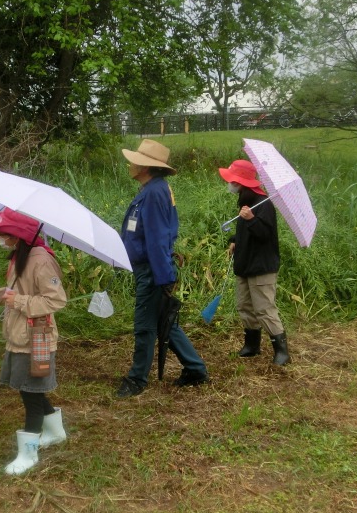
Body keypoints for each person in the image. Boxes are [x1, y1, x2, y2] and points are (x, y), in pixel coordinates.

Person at [0, 208, 68, 475]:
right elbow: (14, 293)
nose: (0, 239)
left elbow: (56, 300)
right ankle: (56, 433)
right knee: (30, 389)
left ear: (18, 235)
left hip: (37, 338)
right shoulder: (20, 256)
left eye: (3, 234)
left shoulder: (41, 261)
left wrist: (20, 301)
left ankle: (28, 453)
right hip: (20, 335)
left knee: (31, 393)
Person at [116, 139, 209, 398]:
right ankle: (195, 369)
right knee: (163, 320)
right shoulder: (151, 190)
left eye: (134, 161)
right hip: (151, 269)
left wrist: (163, 277)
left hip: (152, 271)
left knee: (145, 325)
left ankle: (137, 380)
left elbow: (157, 239)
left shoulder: (154, 193)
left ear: (146, 166)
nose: (130, 164)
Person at [219, 159, 291, 366]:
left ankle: (282, 352)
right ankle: (252, 345)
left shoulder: (264, 203)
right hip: (245, 264)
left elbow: (266, 235)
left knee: (264, 309)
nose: (230, 184)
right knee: (245, 306)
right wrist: (235, 240)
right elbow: (246, 232)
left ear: (241, 182)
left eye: (232, 181)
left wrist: (251, 219)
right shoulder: (247, 201)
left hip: (261, 267)